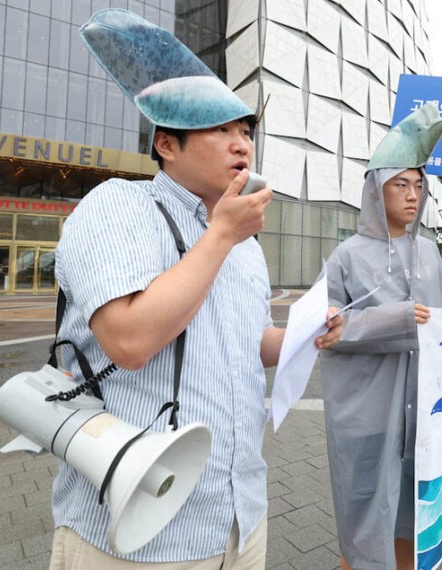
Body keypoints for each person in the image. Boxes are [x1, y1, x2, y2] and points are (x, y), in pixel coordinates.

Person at [49, 9, 341, 568]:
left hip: (238, 514)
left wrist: (305, 335)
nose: (242, 145)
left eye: (247, 131)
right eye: (221, 129)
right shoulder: (118, 206)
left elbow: (249, 343)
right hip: (131, 529)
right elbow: (130, 341)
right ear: (167, 144)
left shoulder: (245, 248)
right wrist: (221, 235)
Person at [320, 103, 442, 570]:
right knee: (363, 511)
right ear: (375, 190)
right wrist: (396, 321)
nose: (412, 196)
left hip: (422, 412)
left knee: (410, 512)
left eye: (418, 186)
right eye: (400, 184)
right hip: (367, 411)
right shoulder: (346, 256)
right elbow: (325, 330)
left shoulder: (428, 251)